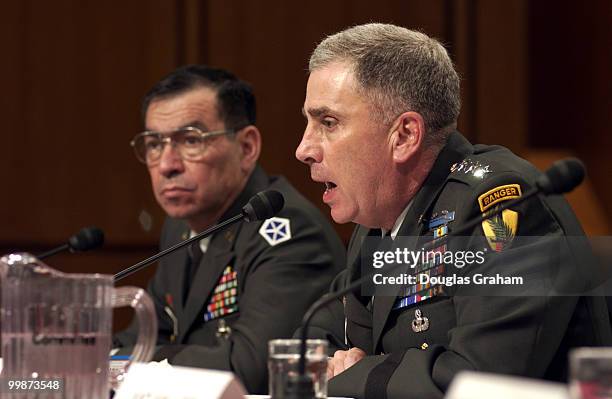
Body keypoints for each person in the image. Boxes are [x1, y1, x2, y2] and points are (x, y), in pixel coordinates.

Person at [295, 23, 611, 399]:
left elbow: (479, 379)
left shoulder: (504, 205)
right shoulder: (380, 219)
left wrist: (354, 373)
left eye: (328, 122)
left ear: (405, 136)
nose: (304, 149)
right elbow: (314, 344)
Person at [114, 65, 346, 393]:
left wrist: (141, 363)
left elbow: (249, 368)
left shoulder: (291, 234)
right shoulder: (180, 228)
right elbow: (138, 338)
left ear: (247, 148)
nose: (167, 165)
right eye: (154, 144)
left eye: (191, 140)